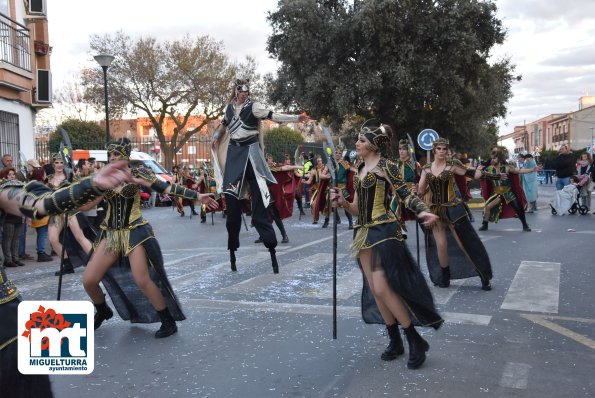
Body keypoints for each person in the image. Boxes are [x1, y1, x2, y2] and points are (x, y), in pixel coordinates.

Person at [0, 158, 133, 398]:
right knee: (54, 238)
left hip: (7, 331)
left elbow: (40, 202)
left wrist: (91, 184)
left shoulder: (3, 191)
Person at [330, 123, 442, 370]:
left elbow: (406, 195)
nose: (356, 144)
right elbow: (357, 208)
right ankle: (395, 341)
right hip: (363, 233)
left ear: (371, 144)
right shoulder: (360, 168)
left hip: (384, 230)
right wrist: (342, 202)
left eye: (360, 140)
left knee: (382, 287)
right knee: (375, 289)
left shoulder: (387, 167)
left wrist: (424, 211)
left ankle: (414, 339)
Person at [81, 138, 218, 338]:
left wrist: (197, 197)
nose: (112, 158)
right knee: (89, 280)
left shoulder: (138, 173)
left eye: (117, 155)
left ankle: (167, 320)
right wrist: (68, 205)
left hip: (135, 232)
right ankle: (103, 310)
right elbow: (86, 206)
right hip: (111, 233)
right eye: (110, 156)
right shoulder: (103, 179)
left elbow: (167, 188)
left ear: (126, 157)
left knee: (142, 279)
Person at [211, 79, 310, 273]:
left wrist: (297, 118)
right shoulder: (229, 108)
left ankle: (271, 244)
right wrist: (215, 138)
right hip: (234, 154)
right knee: (231, 205)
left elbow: (274, 116)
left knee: (261, 206)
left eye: (246, 92)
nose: (244, 94)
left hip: (252, 154)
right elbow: (223, 125)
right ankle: (232, 247)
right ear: (236, 91)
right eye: (241, 91)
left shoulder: (254, 107)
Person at [417, 138, 499, 291]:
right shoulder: (426, 169)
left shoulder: (452, 165)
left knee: (464, 243)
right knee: (441, 245)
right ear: (434, 150)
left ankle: (483, 276)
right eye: (439, 149)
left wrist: (494, 176)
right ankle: (445, 277)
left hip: (453, 209)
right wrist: (416, 192)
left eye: (444, 149)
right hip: (435, 210)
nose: (442, 151)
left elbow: (473, 174)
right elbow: (421, 190)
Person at [46, 154, 94, 276]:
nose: (59, 165)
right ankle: (67, 264)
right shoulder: (49, 178)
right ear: (53, 164)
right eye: (56, 162)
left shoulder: (70, 176)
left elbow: (80, 191)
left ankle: (95, 261)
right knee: (53, 238)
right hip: (57, 213)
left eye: (61, 162)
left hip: (70, 211)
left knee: (79, 237)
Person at [479, 148, 539, 232]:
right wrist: (479, 170)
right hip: (496, 193)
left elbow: (519, 171)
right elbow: (480, 175)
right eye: (492, 158)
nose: (492, 160)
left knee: (518, 208)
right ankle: (484, 225)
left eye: (494, 158)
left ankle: (525, 225)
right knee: (487, 207)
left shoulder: (507, 168)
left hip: (508, 193)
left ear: (499, 159)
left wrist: (532, 170)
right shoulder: (489, 169)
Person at [255, 154, 303, 244]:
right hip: (259, 194)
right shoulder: (259, 168)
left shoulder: (273, 167)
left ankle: (284, 235)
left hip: (268, 194)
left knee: (275, 216)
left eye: (268, 159)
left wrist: (297, 166)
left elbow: (285, 168)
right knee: (258, 217)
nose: (267, 161)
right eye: (266, 159)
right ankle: (262, 235)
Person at [0, 168, 25, 267]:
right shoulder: (3, 187)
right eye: (9, 175)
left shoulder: (19, 186)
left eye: (13, 174)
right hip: (8, 217)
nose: (12, 176)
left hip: (18, 215)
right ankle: (8, 259)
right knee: (8, 239)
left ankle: (15, 258)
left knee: (16, 239)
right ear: (5, 176)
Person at [305, 155, 331, 227]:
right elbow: (310, 181)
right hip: (318, 190)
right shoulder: (314, 171)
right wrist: (304, 181)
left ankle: (327, 220)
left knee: (328, 204)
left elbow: (326, 177)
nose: (320, 162)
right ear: (316, 163)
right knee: (313, 204)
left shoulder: (326, 168)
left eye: (320, 160)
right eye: (318, 161)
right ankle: (315, 219)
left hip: (326, 189)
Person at [335, 146, 355, 229]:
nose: (338, 154)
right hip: (333, 187)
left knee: (345, 205)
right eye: (336, 152)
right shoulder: (331, 163)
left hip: (342, 188)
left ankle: (350, 222)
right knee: (332, 203)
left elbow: (352, 169)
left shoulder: (344, 163)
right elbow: (324, 172)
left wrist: (360, 172)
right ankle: (335, 219)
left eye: (340, 153)